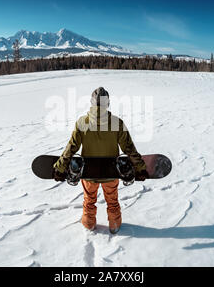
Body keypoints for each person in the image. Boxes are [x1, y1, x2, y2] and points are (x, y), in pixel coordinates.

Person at [52, 87, 148, 234]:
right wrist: (140, 168)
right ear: (107, 103)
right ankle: (114, 225)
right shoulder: (116, 123)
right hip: (111, 173)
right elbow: (129, 149)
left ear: (91, 103)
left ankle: (89, 224)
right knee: (112, 201)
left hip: (89, 174)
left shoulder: (82, 122)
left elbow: (71, 148)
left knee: (89, 200)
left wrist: (60, 167)